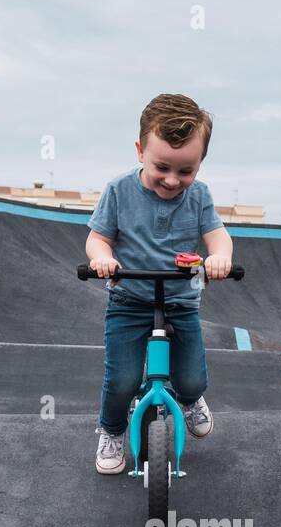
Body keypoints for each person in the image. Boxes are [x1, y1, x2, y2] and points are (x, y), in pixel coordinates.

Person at [85, 93, 234, 473]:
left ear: (200, 164)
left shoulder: (198, 196)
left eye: (186, 171)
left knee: (191, 377)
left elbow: (217, 235)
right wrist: (102, 258)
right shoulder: (119, 190)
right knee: (121, 379)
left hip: (181, 300)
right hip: (129, 299)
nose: (172, 180)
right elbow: (98, 238)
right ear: (140, 151)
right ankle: (113, 430)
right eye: (162, 167)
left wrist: (220, 257)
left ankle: (189, 399)